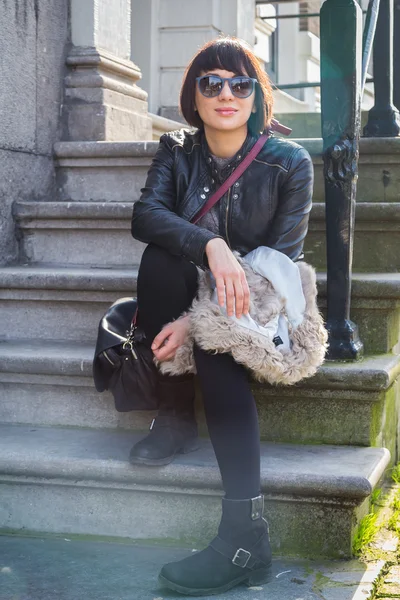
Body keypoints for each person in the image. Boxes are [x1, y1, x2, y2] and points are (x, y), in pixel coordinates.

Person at [130, 36, 313, 597]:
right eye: (211, 82)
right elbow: (147, 215)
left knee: (217, 333)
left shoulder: (291, 162)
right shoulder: (178, 149)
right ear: (194, 94)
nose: (226, 93)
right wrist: (212, 247)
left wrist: (199, 319)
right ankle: (177, 413)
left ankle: (244, 534)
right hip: (191, 281)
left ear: (257, 95)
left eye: (240, 82)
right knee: (161, 258)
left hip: (261, 304)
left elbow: (281, 265)